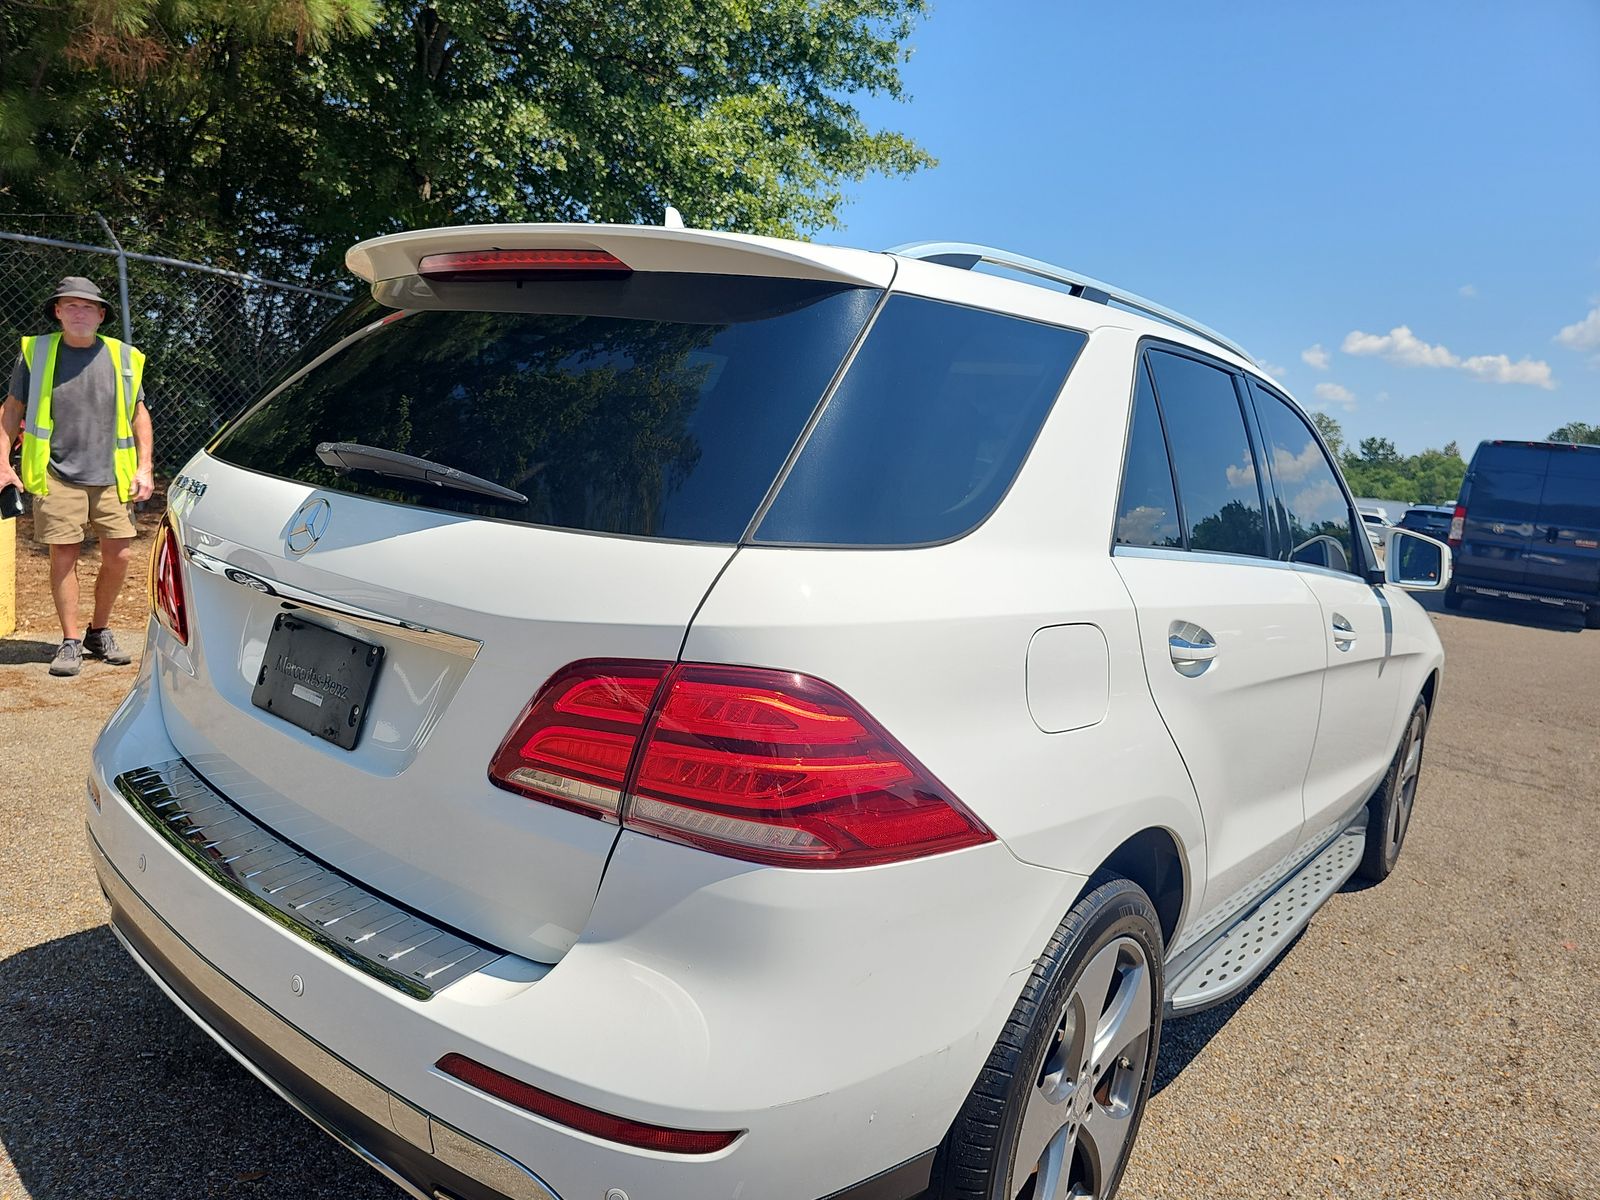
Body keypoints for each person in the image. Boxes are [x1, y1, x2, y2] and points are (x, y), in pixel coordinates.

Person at [0, 276, 154, 676]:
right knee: (64, 554)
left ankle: (98, 631)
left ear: (101, 315)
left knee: (118, 555)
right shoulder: (37, 352)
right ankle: (69, 641)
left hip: (111, 475)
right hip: (56, 474)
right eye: (70, 306)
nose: (79, 313)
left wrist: (145, 466)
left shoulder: (124, 357)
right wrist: (2, 464)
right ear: (57, 311)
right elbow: (12, 408)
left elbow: (140, 415)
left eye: (88, 307)